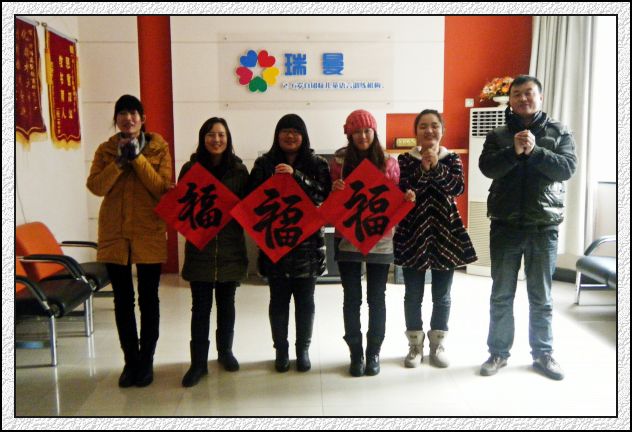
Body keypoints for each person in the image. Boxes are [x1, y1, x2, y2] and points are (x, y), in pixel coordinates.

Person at [479, 75, 577, 380]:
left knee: (541, 297)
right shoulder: (497, 134)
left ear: (540, 97)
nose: (523, 98)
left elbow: (567, 168)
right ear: (510, 100)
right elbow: (487, 167)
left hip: (543, 226)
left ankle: (543, 354)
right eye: (517, 94)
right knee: (501, 294)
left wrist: (535, 152)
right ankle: (498, 353)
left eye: (529, 93)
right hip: (505, 225)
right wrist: (513, 151)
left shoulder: (559, 131)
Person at [86, 94, 172, 387]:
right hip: (114, 233)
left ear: (143, 119)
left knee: (149, 299)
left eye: (134, 112)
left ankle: (146, 360)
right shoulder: (106, 150)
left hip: (148, 231)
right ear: (116, 119)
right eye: (122, 113)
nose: (128, 118)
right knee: (123, 301)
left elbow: (161, 189)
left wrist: (137, 159)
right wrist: (119, 163)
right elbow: (96, 187)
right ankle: (130, 361)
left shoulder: (159, 148)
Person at [330, 109, 413, 377]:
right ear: (349, 134)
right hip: (347, 238)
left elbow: (394, 198)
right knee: (351, 298)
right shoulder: (339, 163)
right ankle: (355, 352)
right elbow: (331, 201)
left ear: (374, 132)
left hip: (381, 239)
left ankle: (373, 352)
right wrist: (334, 190)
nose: (363, 136)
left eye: (367, 130)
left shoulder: (389, 163)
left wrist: (406, 198)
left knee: (377, 298)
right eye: (357, 131)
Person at [247, 114, 331, 373]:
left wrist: (296, 176)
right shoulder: (264, 163)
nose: (290, 136)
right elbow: (251, 198)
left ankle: (303, 349)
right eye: (285, 131)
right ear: (277, 135)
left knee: (306, 302)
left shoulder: (318, 163)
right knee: (278, 301)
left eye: (296, 131)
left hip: (308, 247)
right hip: (276, 247)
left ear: (303, 136)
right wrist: (273, 180)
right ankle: (281, 350)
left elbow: (324, 195)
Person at [394, 109, 477, 369]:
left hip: (445, 233)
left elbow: (457, 188)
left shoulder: (452, 158)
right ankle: (414, 345)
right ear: (415, 132)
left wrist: (437, 167)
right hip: (413, 233)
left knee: (442, 295)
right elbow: (403, 189)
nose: (429, 131)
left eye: (434, 126)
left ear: (442, 130)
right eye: (423, 126)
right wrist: (423, 168)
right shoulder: (404, 160)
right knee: (412, 295)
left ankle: (437, 344)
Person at [179, 117, 249, 387]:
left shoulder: (239, 170)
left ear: (228, 139)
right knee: (200, 308)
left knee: (227, 304)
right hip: (201, 250)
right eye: (211, 134)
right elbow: (182, 208)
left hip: (230, 248)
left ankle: (225, 352)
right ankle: (198, 363)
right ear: (203, 138)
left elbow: (248, 207)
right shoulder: (190, 168)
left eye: (221, 135)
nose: (216, 140)